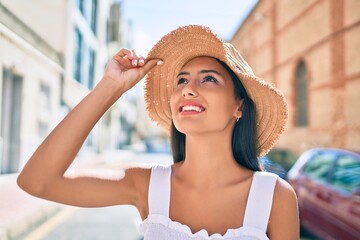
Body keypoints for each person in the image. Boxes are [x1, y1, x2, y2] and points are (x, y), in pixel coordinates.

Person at [18, 25, 299, 239]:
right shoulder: (146, 185)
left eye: (208, 79)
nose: (188, 89)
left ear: (238, 106)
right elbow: (37, 181)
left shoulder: (274, 196)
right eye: (181, 80)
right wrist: (110, 87)